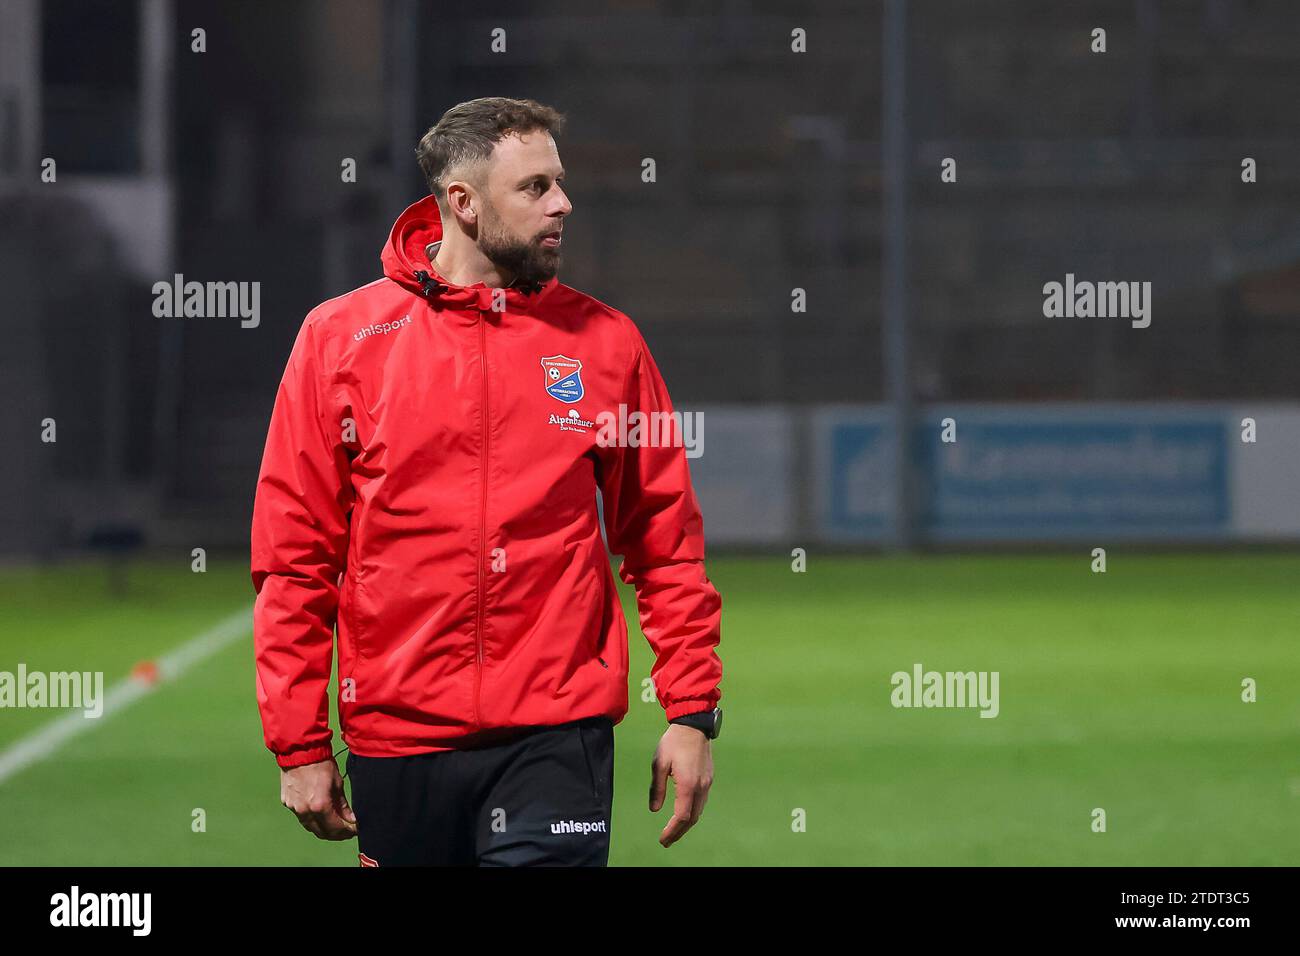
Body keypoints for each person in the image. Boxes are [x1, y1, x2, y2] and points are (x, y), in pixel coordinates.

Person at [250, 96, 723, 866]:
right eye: (535, 187)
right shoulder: (338, 341)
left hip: (554, 740)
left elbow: (665, 540)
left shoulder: (609, 343)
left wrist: (692, 711)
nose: (563, 203)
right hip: (397, 742)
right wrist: (299, 743)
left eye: (559, 182)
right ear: (463, 204)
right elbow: (294, 559)